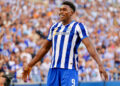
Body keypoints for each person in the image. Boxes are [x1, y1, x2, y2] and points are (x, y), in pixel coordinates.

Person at [22, 1, 108, 86]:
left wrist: (100, 64)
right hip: (53, 70)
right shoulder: (54, 27)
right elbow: (45, 48)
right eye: (60, 10)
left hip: (69, 70)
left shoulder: (78, 27)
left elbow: (89, 46)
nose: (61, 12)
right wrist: (30, 65)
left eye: (64, 9)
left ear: (71, 13)